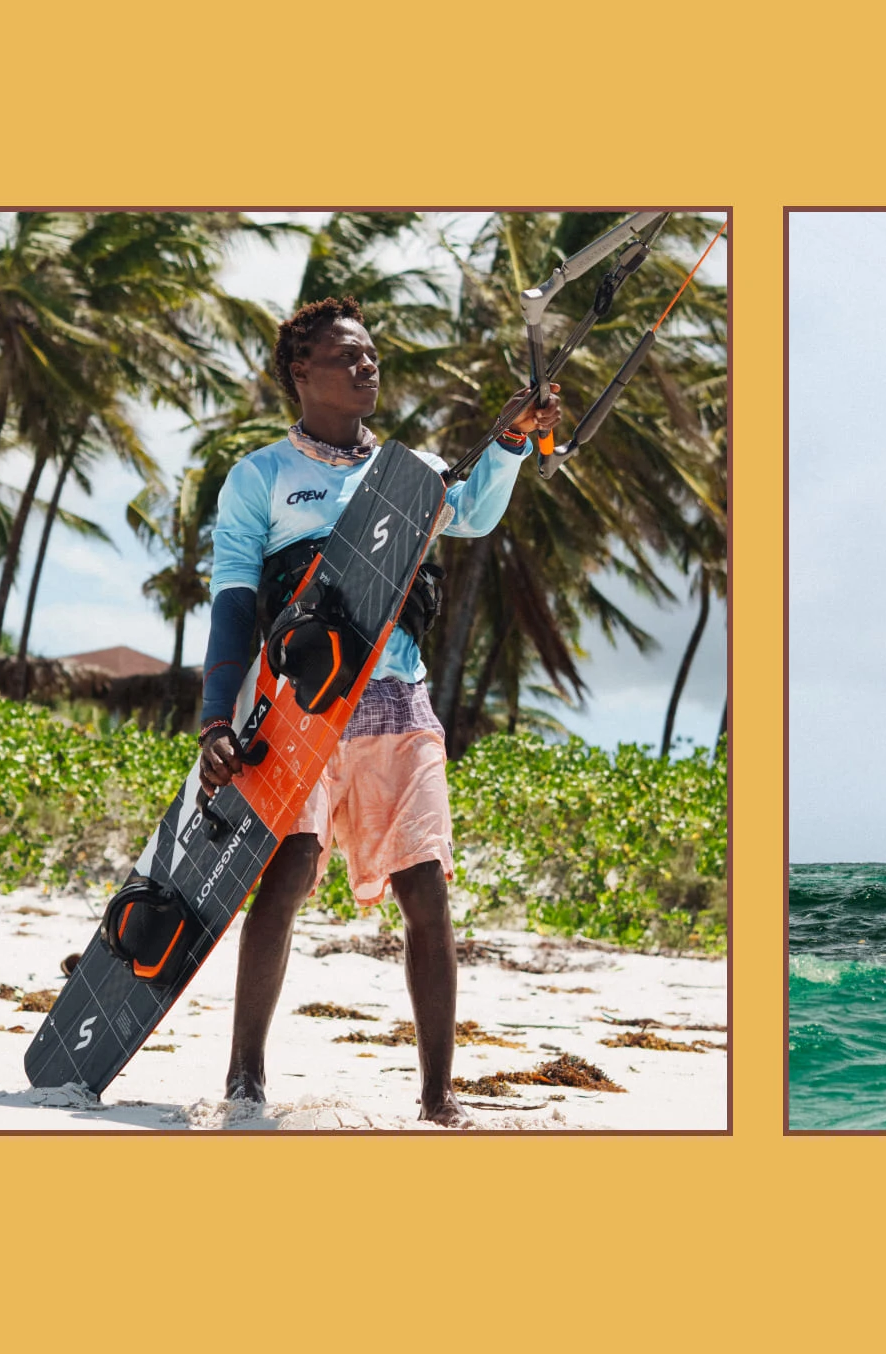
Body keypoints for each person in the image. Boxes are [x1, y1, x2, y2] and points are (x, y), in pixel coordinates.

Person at [155, 296, 556, 1125]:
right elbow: (233, 602)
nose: (368, 365)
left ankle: (439, 1095)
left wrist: (512, 438)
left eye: (372, 354)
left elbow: (473, 511)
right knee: (288, 874)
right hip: (296, 707)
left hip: (397, 701)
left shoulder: (408, 475)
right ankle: (245, 1080)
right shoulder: (261, 477)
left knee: (426, 889)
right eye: (349, 355)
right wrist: (214, 720)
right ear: (302, 372)